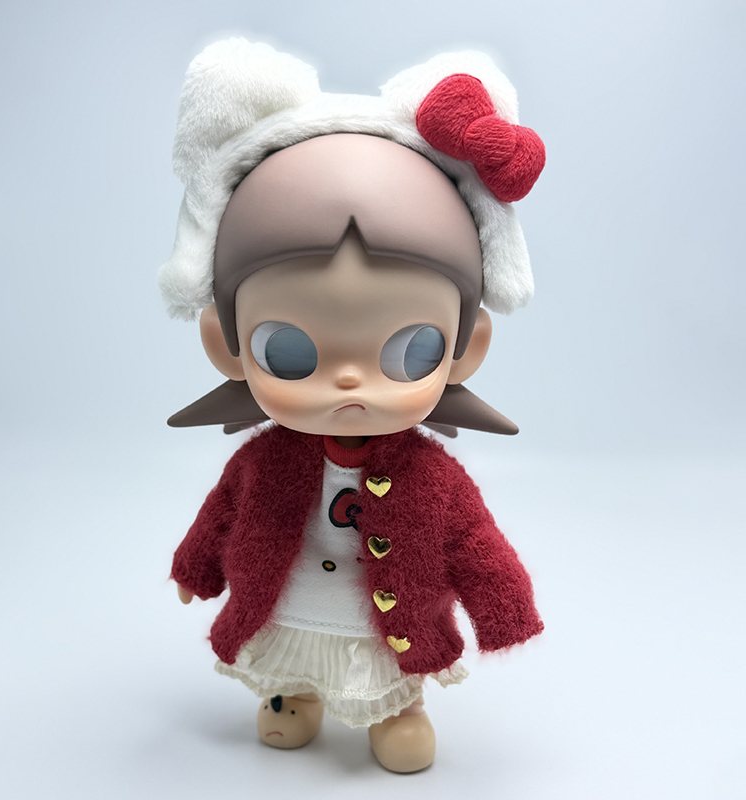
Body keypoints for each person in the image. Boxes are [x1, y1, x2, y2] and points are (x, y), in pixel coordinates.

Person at [158, 38, 545, 773]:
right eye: (290, 351)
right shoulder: (261, 462)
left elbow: (474, 542)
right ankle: (293, 694)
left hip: (385, 629)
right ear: (226, 345)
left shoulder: (434, 480)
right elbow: (224, 511)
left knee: (389, 668)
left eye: (411, 351)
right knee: (291, 659)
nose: (348, 383)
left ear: (465, 351)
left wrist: (506, 606)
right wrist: (196, 565)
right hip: (291, 607)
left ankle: (396, 706)